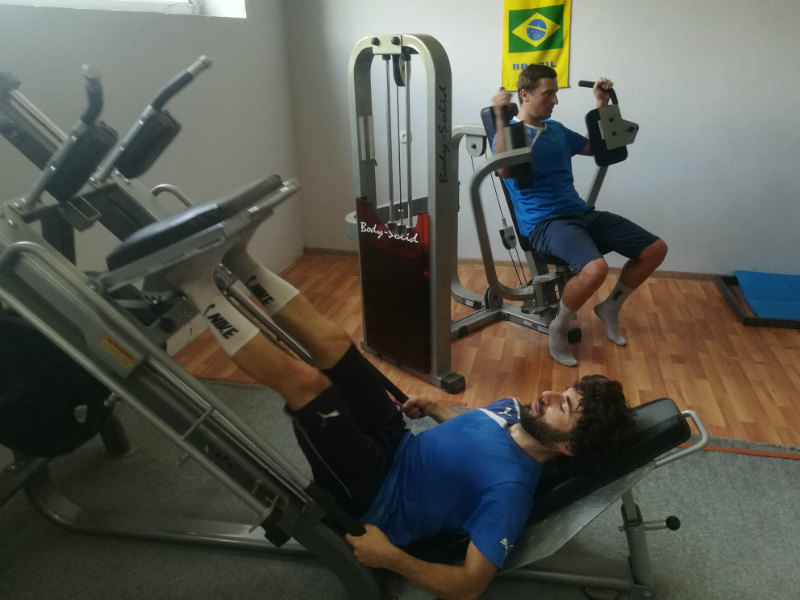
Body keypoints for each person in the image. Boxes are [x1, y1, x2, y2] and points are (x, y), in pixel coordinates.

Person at [164, 249, 637, 600]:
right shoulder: (516, 411)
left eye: (562, 407)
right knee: (334, 343)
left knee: (306, 384)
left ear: (568, 447)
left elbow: (470, 586)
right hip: (398, 441)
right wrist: (436, 409)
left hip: (371, 493)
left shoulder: (510, 494)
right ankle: (240, 260)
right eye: (563, 392)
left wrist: (392, 559)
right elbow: (477, 434)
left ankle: (196, 286)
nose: (549, 395)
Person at [492, 64, 668, 367]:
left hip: (580, 213)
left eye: (556, 93)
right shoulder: (511, 133)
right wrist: (499, 116)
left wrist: (601, 104)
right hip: (544, 223)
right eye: (548, 94)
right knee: (596, 269)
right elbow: (504, 169)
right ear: (525, 95)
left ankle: (610, 308)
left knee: (655, 250)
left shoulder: (557, 129)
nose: (555, 100)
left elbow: (593, 147)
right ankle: (558, 328)